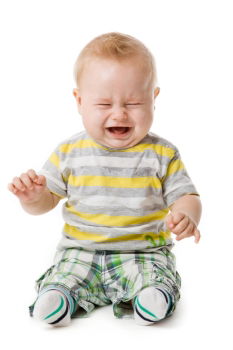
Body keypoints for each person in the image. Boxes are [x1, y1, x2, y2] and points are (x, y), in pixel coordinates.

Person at [8, 32, 202, 327]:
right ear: (80, 100)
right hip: (81, 250)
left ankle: (149, 296)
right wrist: (34, 198)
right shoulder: (70, 152)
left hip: (143, 251)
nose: (119, 113)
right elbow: (44, 203)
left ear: (154, 98)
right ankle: (59, 296)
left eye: (134, 102)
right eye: (103, 104)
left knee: (153, 275)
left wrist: (186, 215)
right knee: (66, 272)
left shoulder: (161, 153)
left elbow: (186, 195)